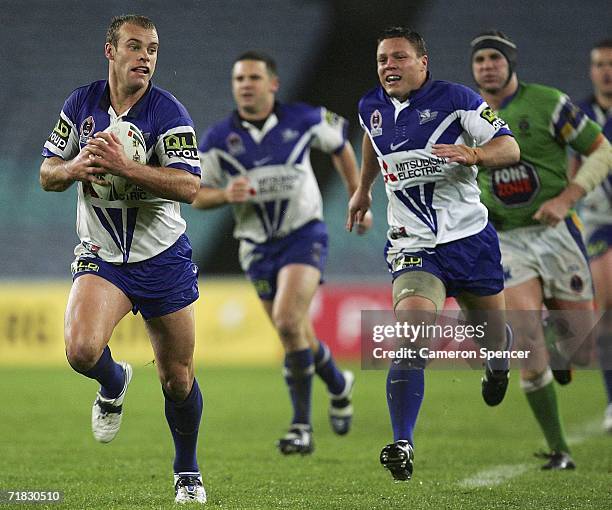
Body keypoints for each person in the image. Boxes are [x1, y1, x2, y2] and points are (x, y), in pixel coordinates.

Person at [39, 15, 206, 503]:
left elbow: (190, 186)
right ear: (110, 51)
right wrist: (74, 167)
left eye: (153, 49)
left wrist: (125, 168)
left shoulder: (168, 112)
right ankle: (113, 382)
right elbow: (47, 173)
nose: (146, 57)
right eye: (135, 47)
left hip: (162, 258)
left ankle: (187, 472)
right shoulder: (81, 104)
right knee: (81, 352)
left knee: (177, 379)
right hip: (103, 255)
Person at [347, 26, 520, 481]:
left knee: (492, 340)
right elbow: (371, 139)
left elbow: (510, 146)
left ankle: (498, 363)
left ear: (423, 63)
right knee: (411, 337)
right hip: (414, 245)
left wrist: (474, 155)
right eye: (383, 59)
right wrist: (362, 189)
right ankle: (402, 441)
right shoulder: (371, 106)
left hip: (470, 241)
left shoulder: (458, 99)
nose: (389, 66)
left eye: (399, 57)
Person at [193, 51, 371, 455]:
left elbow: (342, 144)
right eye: (239, 79)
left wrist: (357, 195)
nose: (245, 85)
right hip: (256, 247)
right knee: (296, 334)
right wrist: (224, 194)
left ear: (273, 84)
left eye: (254, 77)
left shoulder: (305, 118)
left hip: (303, 234)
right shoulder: (219, 139)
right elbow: (196, 195)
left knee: (289, 322)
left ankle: (301, 427)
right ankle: (339, 385)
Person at [471, 30, 612, 469]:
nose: (487, 67)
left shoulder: (550, 102)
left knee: (583, 344)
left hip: (558, 234)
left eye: (495, 58)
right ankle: (560, 450)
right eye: (479, 61)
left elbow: (601, 150)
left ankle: (560, 346)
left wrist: (567, 198)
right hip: (505, 239)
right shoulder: (464, 113)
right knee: (530, 348)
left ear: (511, 63)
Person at [571, 38, 612, 433]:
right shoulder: (580, 114)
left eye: (611, 64)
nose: (606, 71)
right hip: (601, 221)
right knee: (606, 311)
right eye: (599, 64)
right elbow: (569, 164)